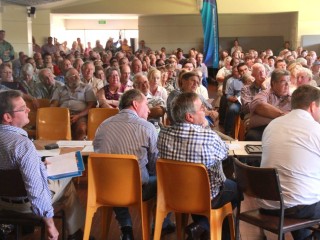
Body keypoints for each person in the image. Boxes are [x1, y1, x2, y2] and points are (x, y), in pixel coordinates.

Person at [0, 90, 86, 240]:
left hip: (2, 202)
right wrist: (50, 225)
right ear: (7, 117)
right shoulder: (23, 145)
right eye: (22, 108)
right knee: (68, 183)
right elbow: (36, 191)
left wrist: (39, 167)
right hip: (24, 205)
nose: (28, 110)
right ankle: (76, 234)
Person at [93, 89, 175, 240]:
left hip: (106, 188)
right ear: (135, 104)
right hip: (137, 190)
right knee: (167, 179)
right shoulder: (146, 127)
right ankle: (162, 223)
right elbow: (155, 164)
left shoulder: (102, 126)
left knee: (116, 177)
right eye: (146, 105)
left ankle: (126, 227)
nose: (149, 109)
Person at [158, 92, 240, 240]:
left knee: (199, 191)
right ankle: (208, 228)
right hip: (205, 197)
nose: (205, 111)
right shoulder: (209, 137)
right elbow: (224, 154)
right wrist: (205, 128)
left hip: (173, 194)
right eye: (202, 108)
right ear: (190, 117)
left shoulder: (163, 134)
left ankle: (202, 227)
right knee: (236, 188)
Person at [259, 85, 320, 240]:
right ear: (313, 106)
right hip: (297, 206)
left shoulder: (272, 125)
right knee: (303, 194)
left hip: (267, 204)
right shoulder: (315, 129)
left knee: (301, 188)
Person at [51, 68, 96, 140]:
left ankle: (79, 149)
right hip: (63, 115)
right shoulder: (60, 89)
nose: (77, 77)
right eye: (73, 75)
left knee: (81, 129)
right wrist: (56, 115)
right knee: (56, 129)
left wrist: (78, 116)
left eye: (77, 75)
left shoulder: (87, 88)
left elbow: (91, 105)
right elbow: (54, 104)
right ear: (66, 78)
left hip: (80, 115)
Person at [246, 69, 291, 141]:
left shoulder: (293, 98)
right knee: (252, 136)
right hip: (262, 129)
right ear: (273, 83)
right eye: (283, 82)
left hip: (285, 130)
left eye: (288, 81)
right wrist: (284, 116)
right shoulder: (264, 94)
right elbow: (260, 106)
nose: (287, 85)